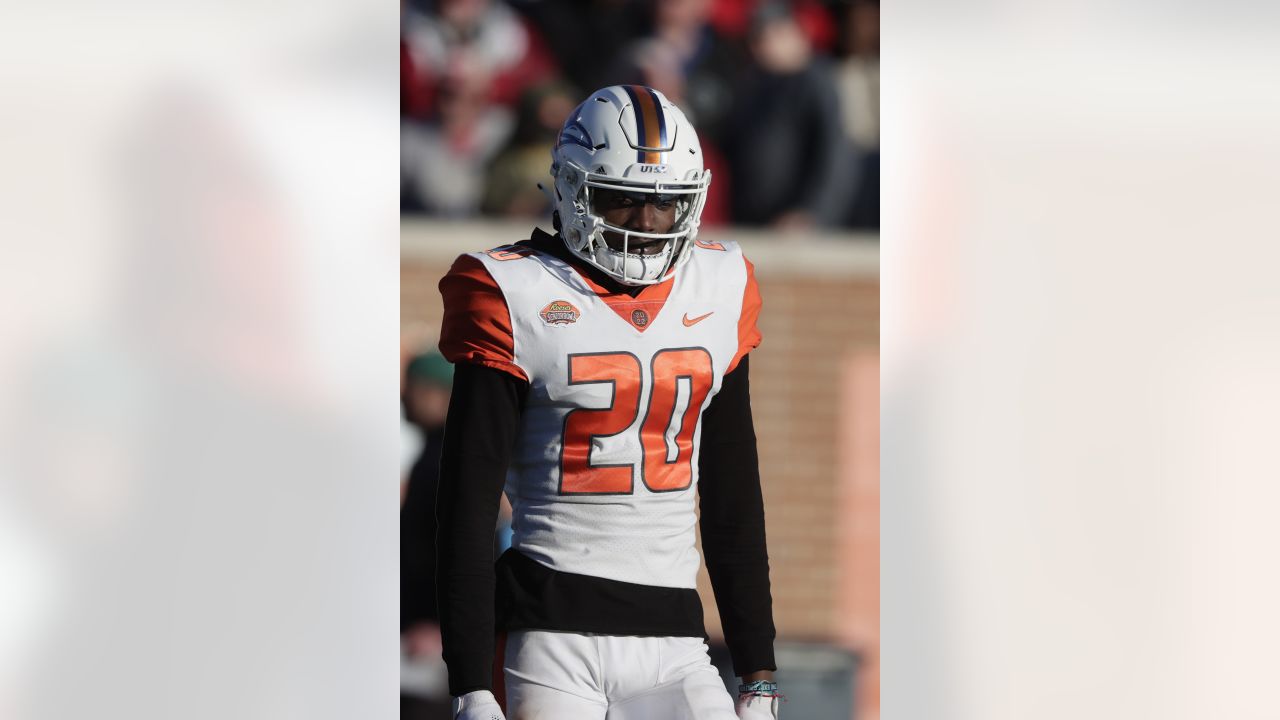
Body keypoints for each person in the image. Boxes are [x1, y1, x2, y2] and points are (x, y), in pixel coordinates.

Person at [436, 85, 781, 720]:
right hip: (548, 635)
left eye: (663, 205)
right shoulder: (513, 290)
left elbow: (733, 492)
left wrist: (758, 672)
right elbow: (465, 501)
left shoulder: (720, 286)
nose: (647, 226)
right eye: (624, 201)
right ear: (572, 189)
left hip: (678, 641)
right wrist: (469, 681)